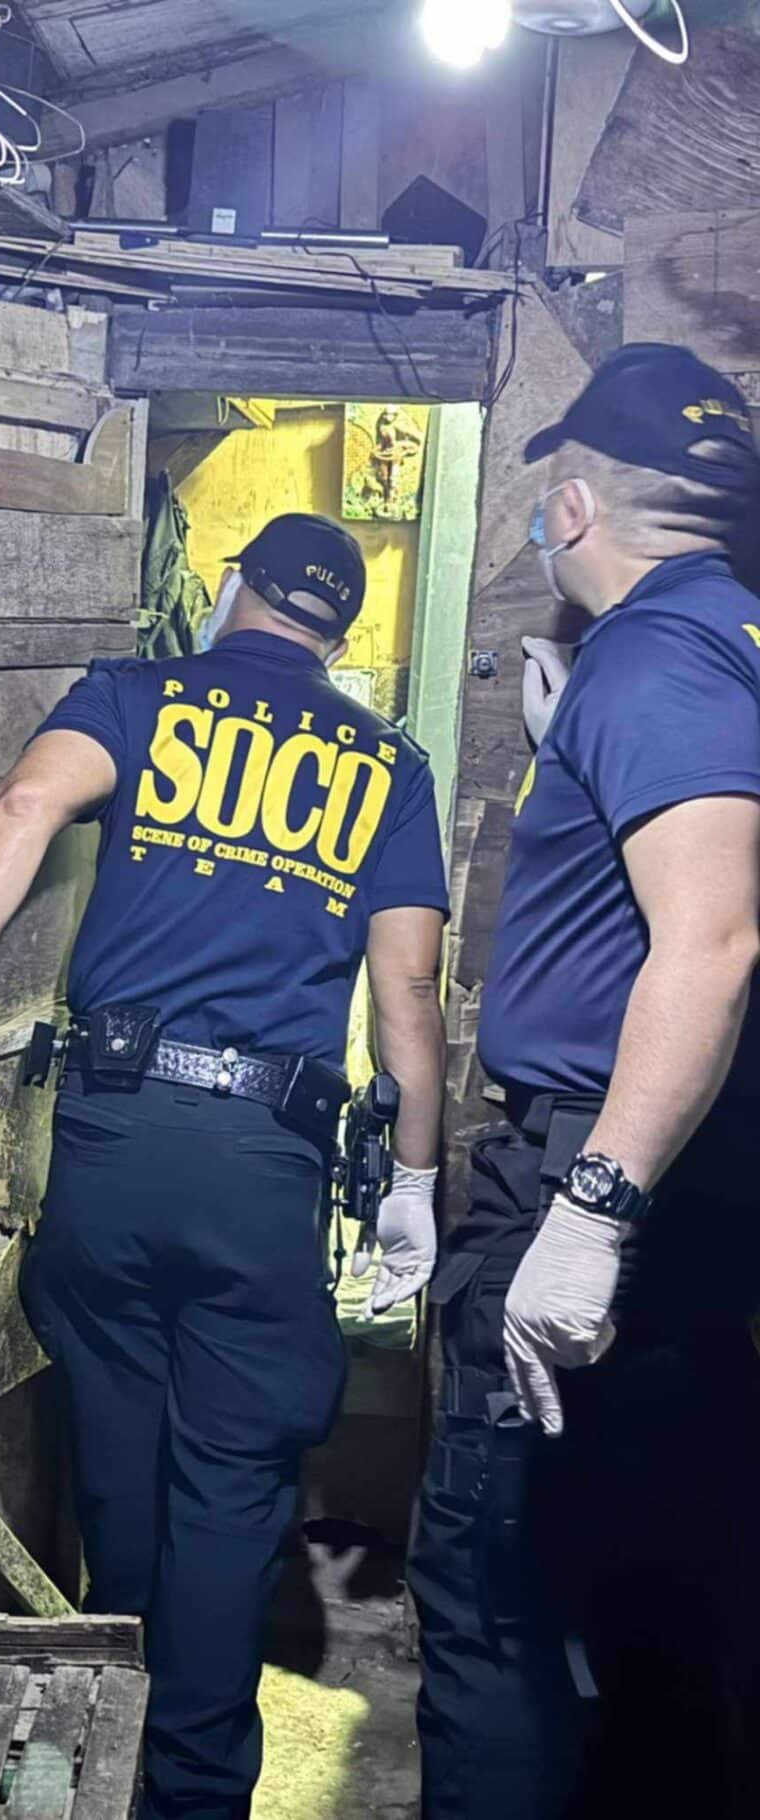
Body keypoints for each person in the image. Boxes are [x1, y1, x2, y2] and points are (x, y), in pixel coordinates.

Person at [0, 512, 450, 1820]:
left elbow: (19, 809)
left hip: (115, 1145)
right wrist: (412, 1179)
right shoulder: (388, 766)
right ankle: (187, 1791)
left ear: (231, 585)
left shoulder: (137, 694)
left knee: (117, 1462)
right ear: (339, 632)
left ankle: (100, 1743)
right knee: (230, 1494)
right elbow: (408, 983)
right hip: (261, 1164)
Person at [410, 343, 760, 1820]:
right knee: (646, 1581)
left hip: (592, 1165)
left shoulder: (661, 657)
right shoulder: (728, 637)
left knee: (490, 1584)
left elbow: (717, 938)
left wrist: (593, 1206)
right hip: (703, 1175)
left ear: (568, 506)